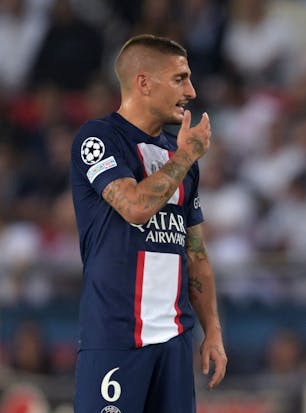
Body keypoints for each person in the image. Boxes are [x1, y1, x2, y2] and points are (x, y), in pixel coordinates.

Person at [70, 34, 227, 413]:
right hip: (116, 337)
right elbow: (136, 207)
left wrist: (213, 332)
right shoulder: (99, 138)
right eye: (179, 79)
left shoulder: (181, 155)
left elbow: (196, 252)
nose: (191, 90)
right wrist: (187, 155)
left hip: (174, 342)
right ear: (143, 82)